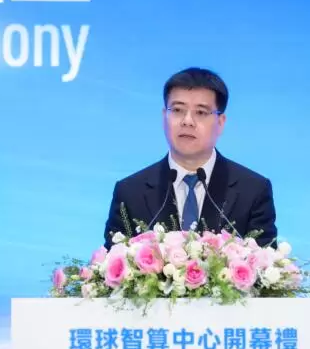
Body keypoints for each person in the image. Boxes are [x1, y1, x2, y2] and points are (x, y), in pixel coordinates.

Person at [103, 67, 278, 248]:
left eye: (201, 112)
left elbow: (265, 259)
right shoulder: (130, 193)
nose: (187, 121)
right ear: (164, 116)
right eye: (177, 110)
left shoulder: (253, 191)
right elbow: (112, 259)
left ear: (220, 122)